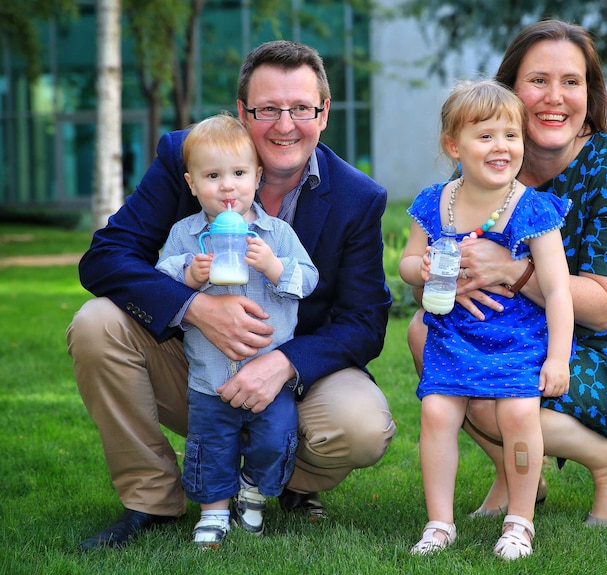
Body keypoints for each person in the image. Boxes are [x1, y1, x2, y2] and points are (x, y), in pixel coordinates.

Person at [67, 40, 396, 551]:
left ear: (324, 113)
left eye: (301, 109)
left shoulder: (358, 198)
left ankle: (279, 481)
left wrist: (282, 363)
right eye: (267, 109)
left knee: (362, 426)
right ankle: (153, 499)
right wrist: (193, 307)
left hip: (290, 381)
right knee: (95, 323)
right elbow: (105, 257)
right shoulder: (187, 154)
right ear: (242, 113)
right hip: (195, 365)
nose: (285, 125)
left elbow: (365, 321)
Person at [408, 20, 607, 528]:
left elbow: (603, 308)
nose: (555, 97)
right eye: (538, 81)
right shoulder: (483, 160)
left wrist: (511, 271)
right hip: (516, 332)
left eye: (571, 82)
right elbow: (440, 260)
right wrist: (443, 278)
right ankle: (514, 477)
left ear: (589, 92)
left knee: (498, 395)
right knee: (426, 335)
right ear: (510, 89)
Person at [400, 80, 574, 560]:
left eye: (511, 136)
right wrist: (425, 267)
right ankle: (439, 523)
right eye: (486, 136)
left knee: (518, 414)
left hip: (518, 338)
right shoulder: (435, 201)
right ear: (453, 146)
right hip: (453, 333)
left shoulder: (531, 207)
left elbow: (558, 289)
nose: (502, 147)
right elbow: (407, 264)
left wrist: (558, 358)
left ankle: (520, 521)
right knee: (436, 412)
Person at [154, 113, 319, 547]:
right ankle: (212, 512)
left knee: (275, 438)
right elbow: (159, 280)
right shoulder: (186, 235)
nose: (227, 187)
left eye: (239, 174)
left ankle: (253, 490)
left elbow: (308, 280)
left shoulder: (276, 234)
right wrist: (189, 275)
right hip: (210, 376)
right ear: (192, 184)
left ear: (257, 176)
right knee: (210, 444)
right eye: (213, 176)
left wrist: (273, 266)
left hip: (269, 377)